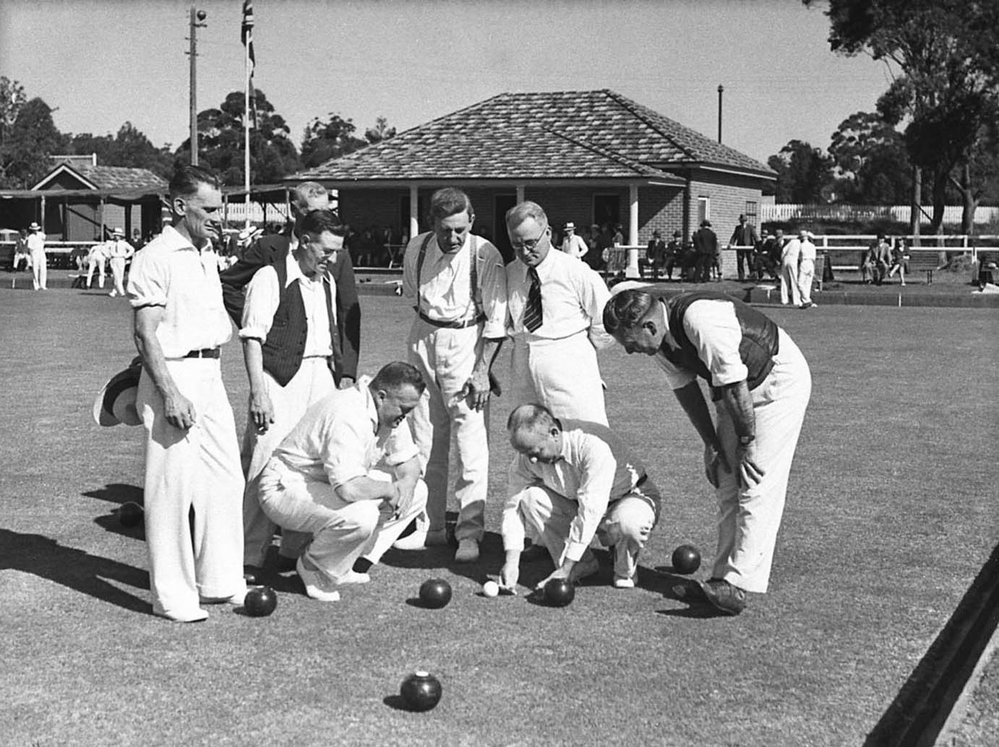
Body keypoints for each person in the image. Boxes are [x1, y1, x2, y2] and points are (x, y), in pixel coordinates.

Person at [603, 288, 811, 615]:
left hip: (776, 383)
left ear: (649, 327)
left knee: (754, 481)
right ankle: (720, 579)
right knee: (726, 481)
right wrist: (712, 444)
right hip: (733, 392)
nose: (630, 351)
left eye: (629, 343)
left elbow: (736, 385)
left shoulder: (701, 319)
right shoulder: (657, 340)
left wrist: (746, 443)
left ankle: (737, 586)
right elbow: (686, 389)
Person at [126, 164, 246, 622]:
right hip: (173, 375)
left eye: (220, 208)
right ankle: (173, 595)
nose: (219, 217)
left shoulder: (206, 251)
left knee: (226, 478)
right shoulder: (155, 256)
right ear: (179, 206)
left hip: (211, 372)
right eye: (209, 209)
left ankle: (219, 581)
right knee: (171, 488)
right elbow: (145, 334)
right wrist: (170, 393)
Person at [395, 188, 507, 562]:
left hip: (467, 341)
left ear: (471, 221)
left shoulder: (485, 254)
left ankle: (469, 533)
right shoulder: (417, 248)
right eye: (446, 230)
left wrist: (482, 370)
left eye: (461, 229)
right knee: (425, 439)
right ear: (433, 224)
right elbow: (413, 296)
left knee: (471, 443)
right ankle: (430, 527)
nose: (454, 237)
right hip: (423, 336)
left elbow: (497, 319)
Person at [256, 362, 428, 602]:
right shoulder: (348, 413)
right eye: (404, 408)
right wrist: (390, 490)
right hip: (285, 487)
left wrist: (406, 486)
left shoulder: (390, 410)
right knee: (362, 514)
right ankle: (312, 566)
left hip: (325, 484)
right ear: (381, 396)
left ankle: (347, 563)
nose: (405, 415)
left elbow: (409, 461)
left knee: (418, 491)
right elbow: (349, 488)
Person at [239, 209, 351, 573]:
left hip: (322, 376)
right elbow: (252, 338)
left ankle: (294, 548)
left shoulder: (327, 281)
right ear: (303, 241)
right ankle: (248, 555)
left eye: (336, 251)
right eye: (326, 250)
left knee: (311, 464)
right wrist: (259, 392)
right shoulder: (269, 277)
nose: (332, 258)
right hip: (279, 378)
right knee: (264, 461)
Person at [499, 404, 662, 592]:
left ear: (554, 433)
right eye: (526, 453)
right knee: (531, 498)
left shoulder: (592, 445)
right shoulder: (527, 458)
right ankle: (582, 563)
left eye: (536, 452)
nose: (532, 460)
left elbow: (591, 510)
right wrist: (511, 563)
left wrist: (566, 569)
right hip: (579, 503)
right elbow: (512, 505)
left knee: (629, 523)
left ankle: (624, 570)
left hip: (630, 497)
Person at [220, 182, 360, 382]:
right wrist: (256, 317)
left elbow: (348, 312)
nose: (322, 219)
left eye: (327, 212)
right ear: (294, 211)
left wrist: (347, 371)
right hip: (279, 370)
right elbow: (227, 284)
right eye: (314, 212)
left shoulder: (338, 256)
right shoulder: (268, 247)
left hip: (323, 368)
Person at [505, 201, 612, 426]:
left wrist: (580, 352)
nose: (525, 252)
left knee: (584, 433)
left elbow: (606, 320)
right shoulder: (510, 274)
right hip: (523, 363)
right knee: (528, 435)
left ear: (548, 233)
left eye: (530, 243)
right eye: (517, 245)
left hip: (570, 362)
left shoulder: (576, 271)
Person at [106, 227, 135, 298]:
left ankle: (114, 291)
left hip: (121, 259)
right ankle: (122, 292)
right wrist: (108, 255)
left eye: (118, 235)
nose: (116, 237)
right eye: (115, 235)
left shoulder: (124, 243)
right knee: (116, 275)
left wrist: (126, 256)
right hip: (113, 259)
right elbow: (104, 249)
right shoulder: (111, 243)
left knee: (120, 276)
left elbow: (132, 249)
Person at [729, 214, 759, 282]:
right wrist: (731, 243)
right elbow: (734, 236)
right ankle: (741, 277)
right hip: (740, 247)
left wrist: (757, 245)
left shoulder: (750, 227)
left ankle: (752, 276)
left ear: (746, 221)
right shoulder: (738, 228)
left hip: (749, 247)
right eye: (741, 221)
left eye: (744, 221)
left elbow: (755, 236)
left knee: (750, 261)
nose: (742, 222)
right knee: (740, 262)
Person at [796, 230, 817, 309]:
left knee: (800, 283)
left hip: (804, 263)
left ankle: (807, 300)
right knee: (807, 284)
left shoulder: (800, 245)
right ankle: (806, 301)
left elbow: (799, 257)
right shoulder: (812, 246)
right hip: (811, 264)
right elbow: (814, 258)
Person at [779, 231, 802, 306]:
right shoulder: (801, 244)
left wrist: (782, 261)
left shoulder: (792, 241)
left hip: (785, 259)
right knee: (794, 280)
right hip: (793, 260)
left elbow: (783, 250)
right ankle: (796, 300)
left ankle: (784, 300)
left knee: (784, 280)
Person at [26, 221, 47, 290]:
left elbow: (45, 237)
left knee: (43, 269)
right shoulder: (30, 237)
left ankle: (43, 285)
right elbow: (30, 248)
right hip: (34, 253)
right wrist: (31, 256)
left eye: (36, 229)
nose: (35, 230)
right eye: (34, 229)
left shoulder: (41, 234)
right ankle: (36, 285)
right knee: (35, 269)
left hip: (41, 252)